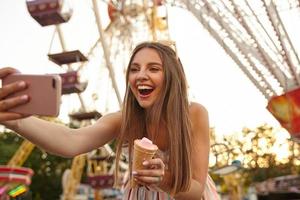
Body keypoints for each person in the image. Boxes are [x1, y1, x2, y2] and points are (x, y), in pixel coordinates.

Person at [0, 42, 219, 199]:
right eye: (134, 69)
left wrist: (163, 179)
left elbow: (195, 191)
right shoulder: (125, 119)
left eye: (153, 68)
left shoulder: (194, 114)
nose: (140, 75)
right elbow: (70, 140)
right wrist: (16, 122)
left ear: (172, 76)